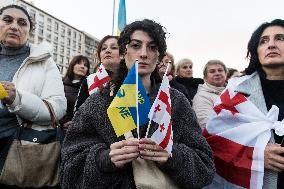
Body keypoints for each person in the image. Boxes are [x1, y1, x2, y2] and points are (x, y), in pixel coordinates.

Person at [60, 19, 215, 189]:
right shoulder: (97, 102)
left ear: (159, 56)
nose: (143, 54)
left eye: (152, 47)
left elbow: (205, 168)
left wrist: (173, 156)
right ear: (123, 51)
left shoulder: (176, 102)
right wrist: (104, 159)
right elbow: (68, 171)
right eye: (135, 45)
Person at [205, 19, 284, 189]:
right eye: (264, 41)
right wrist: (255, 155)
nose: (271, 45)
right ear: (256, 50)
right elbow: (213, 141)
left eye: (280, 38)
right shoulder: (235, 92)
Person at [0, 4, 66, 188]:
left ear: (29, 31)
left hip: (17, 150)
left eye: (22, 23)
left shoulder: (44, 61)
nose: (14, 26)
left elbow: (58, 108)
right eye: (7, 20)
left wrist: (17, 99)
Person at [74, 35, 120, 111]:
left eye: (114, 47)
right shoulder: (89, 80)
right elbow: (78, 113)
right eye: (104, 48)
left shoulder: (132, 79)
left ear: (123, 54)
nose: (107, 51)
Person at [192, 60, 227, 129]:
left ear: (226, 74)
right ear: (205, 78)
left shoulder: (234, 92)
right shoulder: (201, 97)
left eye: (220, 70)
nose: (217, 73)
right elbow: (205, 124)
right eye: (212, 71)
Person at [59, 55, 90, 129]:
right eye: (79, 63)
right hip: (58, 128)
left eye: (85, 65)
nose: (82, 67)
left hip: (79, 129)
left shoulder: (89, 87)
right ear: (72, 65)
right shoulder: (60, 83)